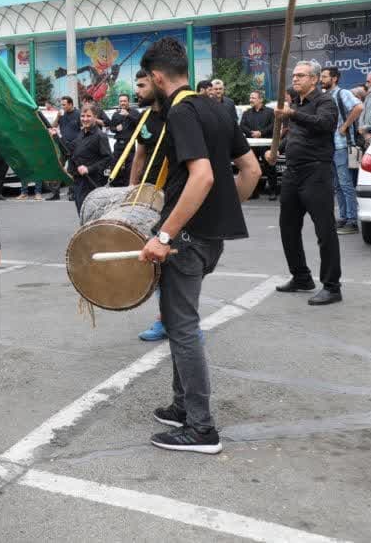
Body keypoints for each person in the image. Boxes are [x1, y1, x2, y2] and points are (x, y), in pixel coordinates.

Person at [137, 38, 258, 455]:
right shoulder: (216, 107)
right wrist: (218, 215)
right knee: (177, 321)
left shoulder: (181, 112)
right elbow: (251, 170)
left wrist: (164, 236)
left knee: (183, 327)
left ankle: (202, 428)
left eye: (146, 80)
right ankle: (182, 406)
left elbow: (202, 176)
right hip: (209, 239)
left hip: (184, 241)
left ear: (157, 77)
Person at [267, 61, 342, 306]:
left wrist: (292, 114)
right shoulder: (296, 104)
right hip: (292, 173)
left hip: (316, 172)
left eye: (301, 75)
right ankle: (301, 277)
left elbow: (324, 124)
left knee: (325, 230)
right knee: (287, 227)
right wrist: (276, 151)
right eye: (294, 75)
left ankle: (332, 287)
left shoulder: (325, 101)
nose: (295, 79)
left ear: (314, 79)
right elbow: (296, 136)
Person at [128, 69, 173, 342]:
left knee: (176, 261)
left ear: (157, 84)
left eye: (142, 85)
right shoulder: (145, 118)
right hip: (149, 197)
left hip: (175, 196)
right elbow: (140, 156)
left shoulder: (177, 114)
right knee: (157, 260)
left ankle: (179, 320)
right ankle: (167, 318)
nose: (138, 91)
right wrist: (132, 190)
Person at [320, 66, 364, 235]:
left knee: (346, 184)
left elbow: (358, 107)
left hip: (342, 146)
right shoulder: (325, 96)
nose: (321, 80)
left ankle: (352, 221)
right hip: (330, 147)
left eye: (325, 77)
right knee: (337, 185)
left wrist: (345, 126)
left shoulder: (342, 93)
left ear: (334, 78)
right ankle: (344, 217)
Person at [68, 102, 111, 214]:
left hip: (92, 182)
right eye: (82, 116)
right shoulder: (81, 134)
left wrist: (89, 169)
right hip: (78, 181)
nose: (85, 119)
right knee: (81, 212)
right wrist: (55, 137)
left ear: (95, 117)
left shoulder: (100, 136)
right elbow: (70, 151)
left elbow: (107, 159)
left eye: (88, 116)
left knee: (90, 214)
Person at [239, 90, 277, 200]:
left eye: (253, 98)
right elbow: (242, 126)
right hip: (252, 145)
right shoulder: (247, 113)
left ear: (260, 99)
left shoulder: (270, 112)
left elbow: (273, 125)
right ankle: (253, 192)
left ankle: (272, 191)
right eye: (250, 97)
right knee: (252, 169)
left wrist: (261, 133)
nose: (250, 100)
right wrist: (251, 133)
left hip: (266, 144)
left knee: (270, 167)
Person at [106, 93, 141, 185]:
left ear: (128, 102)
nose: (122, 103)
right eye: (121, 101)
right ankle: (116, 185)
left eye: (124, 101)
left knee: (130, 167)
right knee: (115, 165)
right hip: (118, 144)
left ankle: (129, 185)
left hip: (130, 144)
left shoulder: (134, 112)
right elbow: (111, 128)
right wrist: (116, 129)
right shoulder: (115, 114)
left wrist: (128, 115)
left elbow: (140, 123)